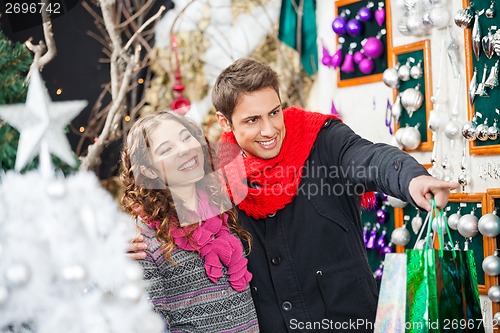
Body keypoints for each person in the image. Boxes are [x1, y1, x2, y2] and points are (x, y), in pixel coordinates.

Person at [129, 59, 459, 333]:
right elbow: (171, 215)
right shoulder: (220, 173)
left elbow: (370, 159)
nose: (270, 129)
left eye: (275, 112)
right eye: (252, 120)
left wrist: (412, 179)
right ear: (224, 121)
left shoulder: (323, 140)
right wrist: (120, 248)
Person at [120, 111, 259, 333]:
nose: (185, 149)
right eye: (166, 149)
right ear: (148, 170)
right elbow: (151, 325)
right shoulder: (142, 240)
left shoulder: (223, 207)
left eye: (186, 137)